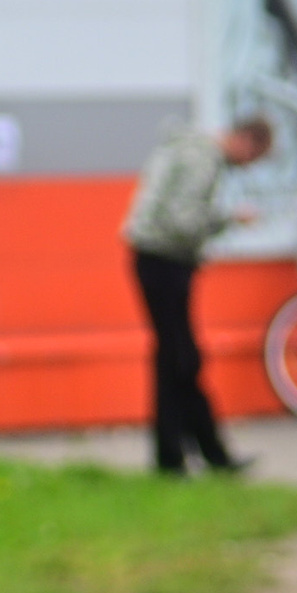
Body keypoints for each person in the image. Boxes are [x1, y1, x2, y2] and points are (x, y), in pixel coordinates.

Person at [122, 116, 274, 474]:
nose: (248, 167)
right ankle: (201, 454)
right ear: (246, 142)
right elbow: (182, 220)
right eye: (255, 158)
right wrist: (227, 221)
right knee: (182, 358)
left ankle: (179, 456)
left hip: (156, 258)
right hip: (166, 260)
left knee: (176, 359)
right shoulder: (203, 160)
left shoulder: (190, 150)